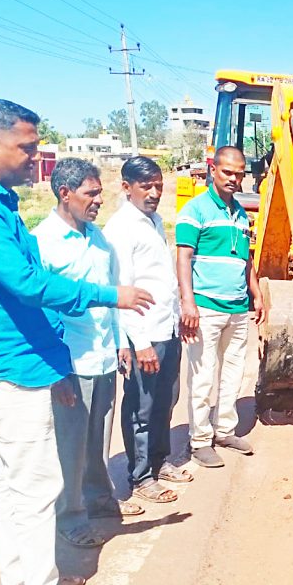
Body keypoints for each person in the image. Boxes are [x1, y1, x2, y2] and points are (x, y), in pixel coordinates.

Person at [0, 99, 153, 585]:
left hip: (20, 360)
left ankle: (22, 581)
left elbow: (28, 284)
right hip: (7, 366)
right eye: (27, 148)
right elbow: (31, 286)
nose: (36, 158)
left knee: (11, 483)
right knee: (37, 487)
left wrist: (55, 360)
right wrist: (111, 295)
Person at [32, 158, 145, 553]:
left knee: (98, 437)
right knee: (69, 445)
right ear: (65, 194)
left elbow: (111, 296)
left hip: (102, 358)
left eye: (99, 192)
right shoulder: (41, 242)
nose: (99, 200)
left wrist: (120, 342)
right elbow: (39, 313)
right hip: (70, 362)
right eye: (90, 193)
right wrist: (57, 369)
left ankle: (99, 499)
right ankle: (71, 518)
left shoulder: (98, 239)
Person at [104, 156, 192, 502]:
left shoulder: (153, 221)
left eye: (159, 185)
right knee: (141, 407)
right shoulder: (120, 229)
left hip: (165, 327)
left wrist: (176, 319)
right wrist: (139, 343)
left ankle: (158, 461)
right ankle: (139, 477)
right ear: (127, 188)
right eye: (147, 186)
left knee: (166, 401)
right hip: (144, 334)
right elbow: (121, 289)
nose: (155, 192)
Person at [177, 146, 265, 467]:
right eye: (228, 172)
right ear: (213, 169)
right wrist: (187, 301)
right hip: (205, 307)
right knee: (202, 376)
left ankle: (224, 429)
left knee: (233, 371)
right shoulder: (195, 210)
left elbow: (245, 259)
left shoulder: (241, 214)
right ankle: (200, 440)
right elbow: (183, 257)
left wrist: (256, 294)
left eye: (239, 174)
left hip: (238, 308)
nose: (233, 179)